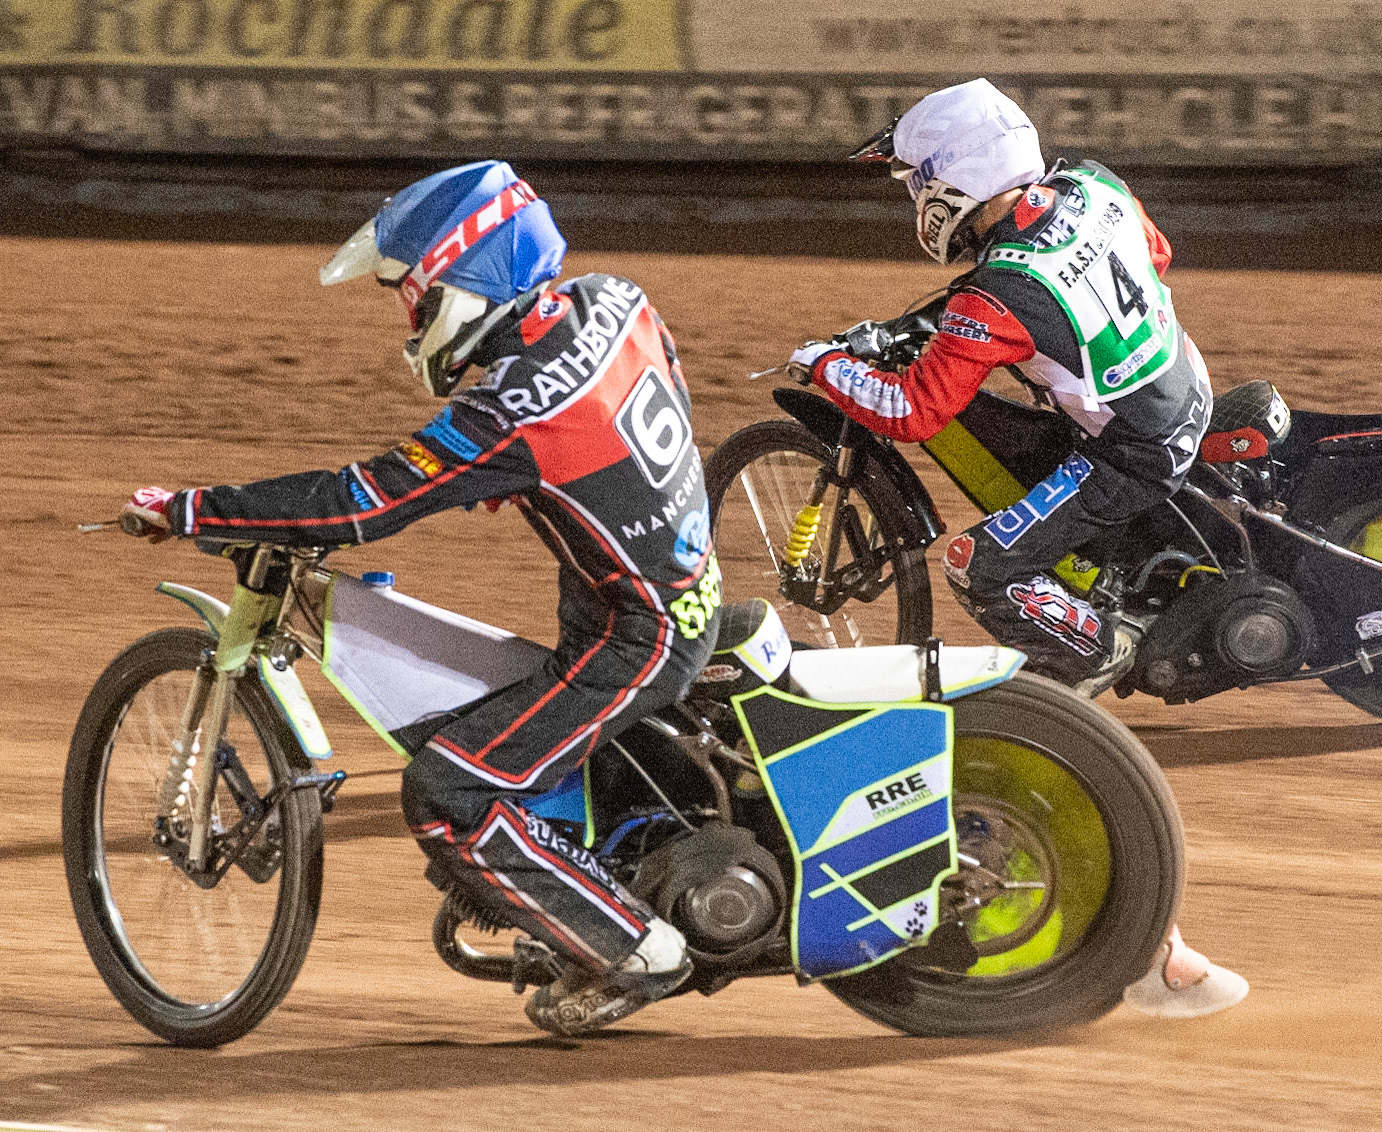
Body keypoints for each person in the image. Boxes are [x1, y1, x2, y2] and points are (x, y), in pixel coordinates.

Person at [121, 160, 719, 1038]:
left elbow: (364, 500)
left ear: (464, 276)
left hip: (636, 636)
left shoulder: (509, 412)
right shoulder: (613, 297)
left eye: (412, 292)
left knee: (447, 790)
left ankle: (634, 950)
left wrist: (190, 508)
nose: (409, 316)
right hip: (671, 586)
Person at [789, 79, 1247, 1018]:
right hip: (1184, 381)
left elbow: (912, 408)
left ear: (952, 183)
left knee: (979, 564)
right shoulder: (1089, 185)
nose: (914, 202)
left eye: (916, 183)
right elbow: (1155, 256)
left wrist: (824, 366)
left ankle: (1092, 644)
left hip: (1129, 452)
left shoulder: (998, 295)